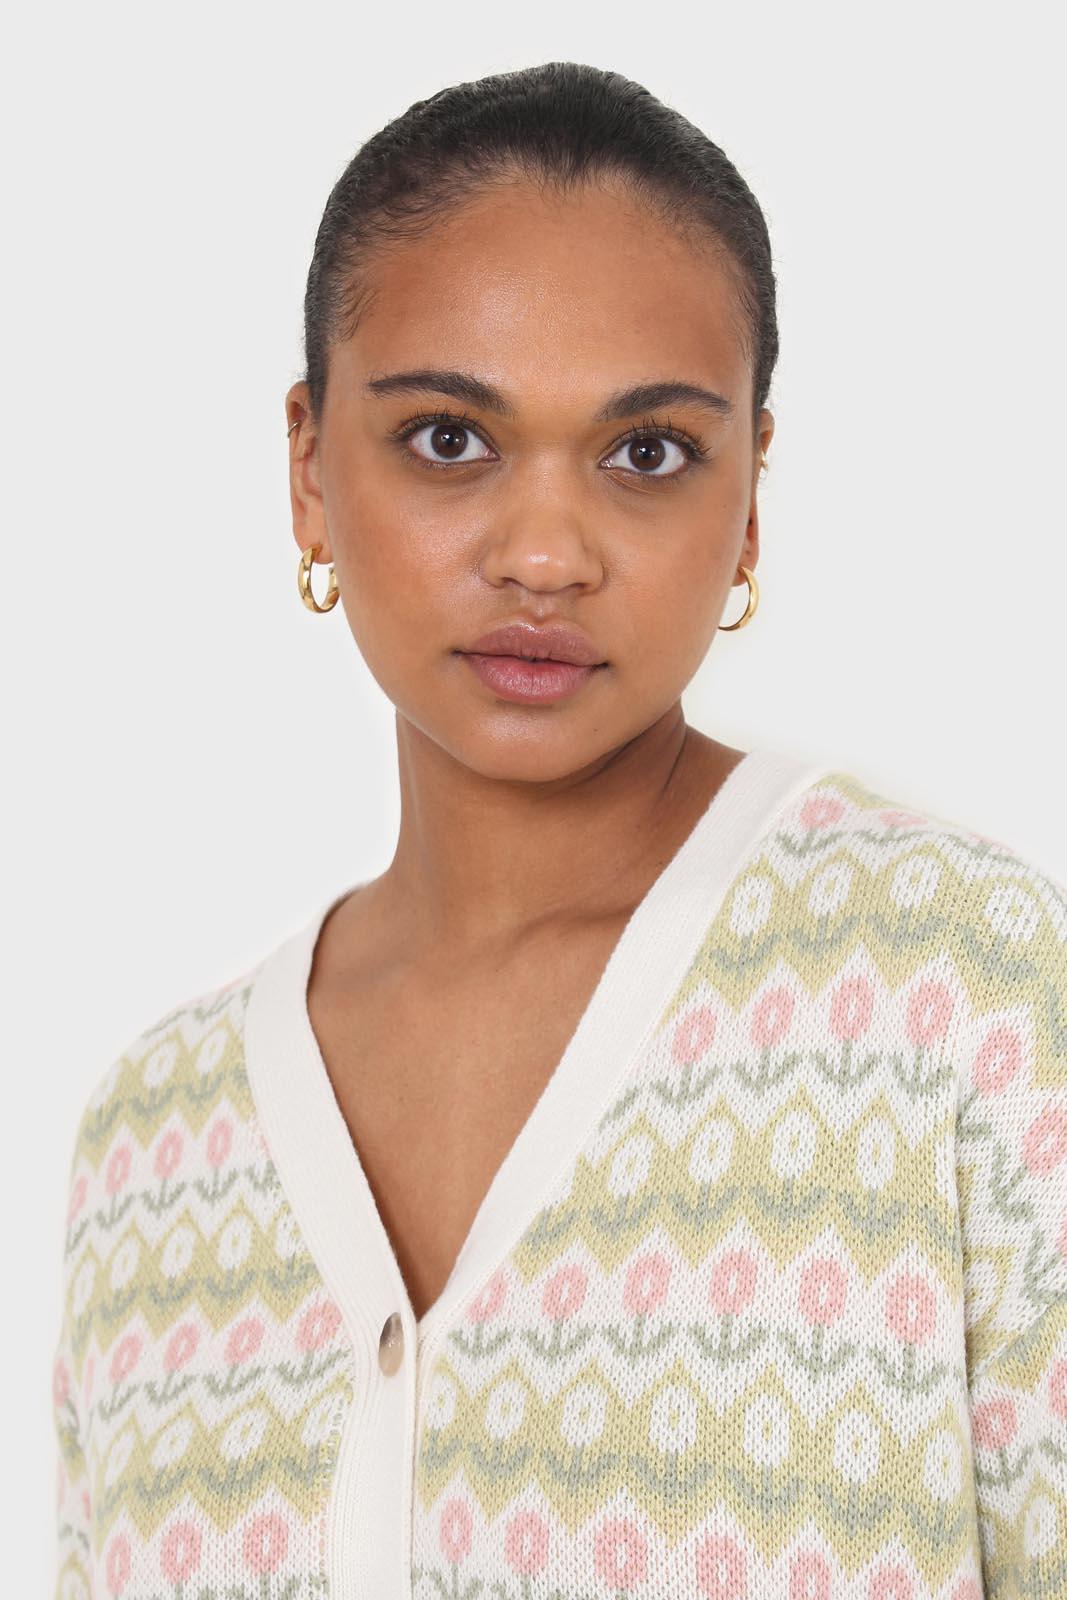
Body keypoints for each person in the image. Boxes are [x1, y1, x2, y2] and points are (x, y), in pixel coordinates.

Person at [51, 61, 1066, 1600]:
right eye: (448, 438)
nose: (544, 554)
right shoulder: (152, 1142)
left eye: (645, 452)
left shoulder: (959, 995)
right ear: (308, 470)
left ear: (748, 500)